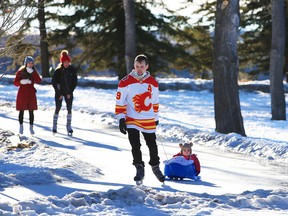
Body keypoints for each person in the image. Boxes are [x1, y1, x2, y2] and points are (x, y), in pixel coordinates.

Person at [115, 54, 165, 183]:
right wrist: (121, 118)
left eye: (142, 66)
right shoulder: (125, 82)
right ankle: (139, 167)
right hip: (132, 118)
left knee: (152, 145)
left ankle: (155, 166)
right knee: (135, 144)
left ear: (146, 66)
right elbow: (120, 101)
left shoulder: (152, 82)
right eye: (137, 66)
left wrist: (156, 117)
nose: (139, 69)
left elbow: (155, 101)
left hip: (148, 118)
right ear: (134, 66)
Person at [13, 56, 42, 135]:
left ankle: (31, 127)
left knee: (31, 111)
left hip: (31, 94)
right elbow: (15, 83)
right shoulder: (20, 72)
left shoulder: (34, 71)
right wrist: (22, 81)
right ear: (26, 63)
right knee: (21, 111)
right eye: (29, 63)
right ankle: (21, 127)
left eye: (32, 63)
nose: (30, 65)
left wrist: (33, 72)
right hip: (22, 94)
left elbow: (39, 80)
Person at [51, 50, 78, 135]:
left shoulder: (72, 70)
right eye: (65, 62)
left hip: (69, 93)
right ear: (62, 62)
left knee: (69, 109)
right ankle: (54, 125)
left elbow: (74, 82)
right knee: (58, 108)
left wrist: (70, 92)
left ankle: (69, 125)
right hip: (59, 93)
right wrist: (59, 94)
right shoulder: (58, 71)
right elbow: (54, 83)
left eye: (67, 62)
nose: (66, 64)